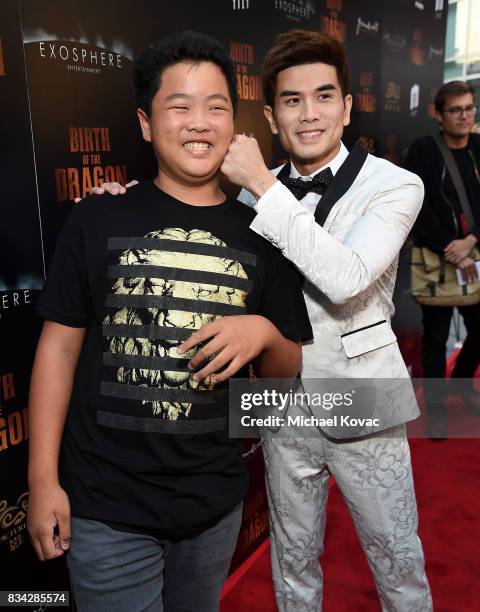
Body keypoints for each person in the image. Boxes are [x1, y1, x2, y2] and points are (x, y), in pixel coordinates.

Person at [100, 29, 432, 612]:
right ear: (273, 117)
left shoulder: (396, 184)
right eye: (291, 101)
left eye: (325, 96)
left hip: (365, 399)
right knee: (292, 566)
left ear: (348, 107)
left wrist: (261, 183)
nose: (309, 115)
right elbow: (191, 213)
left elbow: (348, 276)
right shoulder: (254, 197)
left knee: (398, 566)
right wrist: (122, 200)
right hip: (279, 402)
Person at [27, 31, 312, 612]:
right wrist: (41, 480)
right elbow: (57, 351)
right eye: (179, 106)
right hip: (106, 504)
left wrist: (262, 332)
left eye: (216, 107)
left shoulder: (265, 235)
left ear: (235, 123)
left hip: (213, 504)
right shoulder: (97, 218)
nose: (199, 122)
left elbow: (284, 379)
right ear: (145, 123)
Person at [405, 81, 480, 438]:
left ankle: (463, 384)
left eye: (469, 108)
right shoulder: (423, 150)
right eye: (456, 110)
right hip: (438, 257)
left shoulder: (479, 146)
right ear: (439, 114)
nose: (464, 115)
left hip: (474, 254)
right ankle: (436, 411)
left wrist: (471, 241)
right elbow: (415, 205)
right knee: (436, 338)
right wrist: (451, 247)